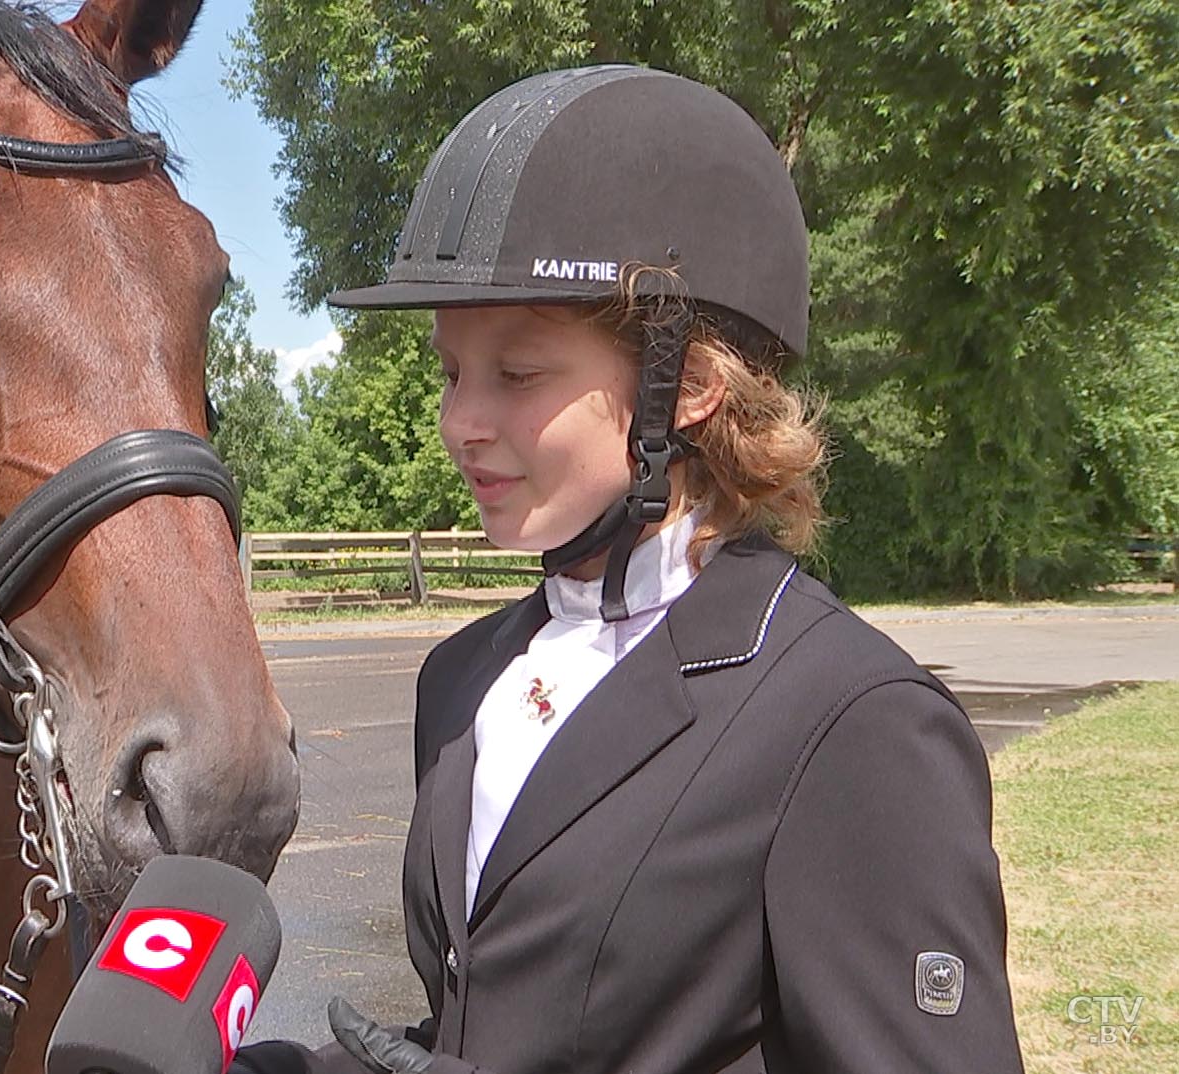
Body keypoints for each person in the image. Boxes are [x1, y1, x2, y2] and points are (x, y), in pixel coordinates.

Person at [233, 64, 1026, 1074]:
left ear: (687, 384)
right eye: (448, 372)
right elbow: (495, 1030)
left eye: (516, 374)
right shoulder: (461, 679)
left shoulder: (851, 723)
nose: (458, 423)